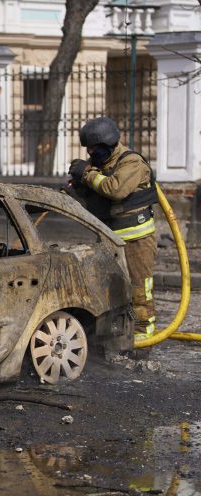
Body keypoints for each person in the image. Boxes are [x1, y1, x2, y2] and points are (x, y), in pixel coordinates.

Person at [69, 116, 158, 343]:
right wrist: (78, 184)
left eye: (94, 149)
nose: (91, 154)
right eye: (88, 150)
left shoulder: (132, 163)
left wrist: (86, 174)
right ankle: (112, 338)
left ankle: (142, 340)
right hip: (110, 239)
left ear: (109, 144)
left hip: (136, 240)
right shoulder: (101, 166)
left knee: (139, 291)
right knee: (109, 291)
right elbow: (95, 196)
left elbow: (115, 189)